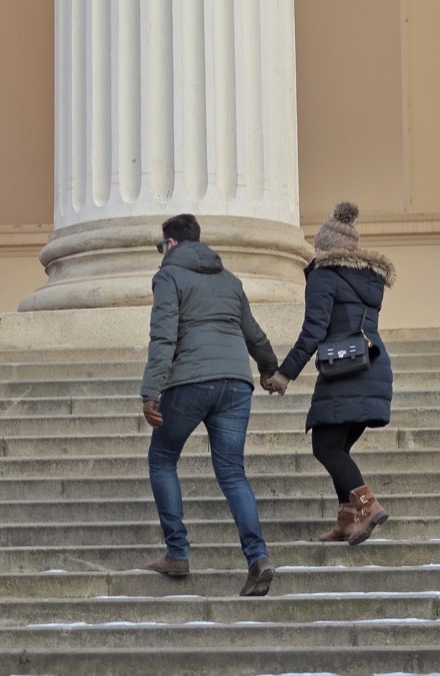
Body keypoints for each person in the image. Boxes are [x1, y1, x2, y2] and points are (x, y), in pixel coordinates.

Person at [140, 213, 280, 597]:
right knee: (233, 472)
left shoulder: (168, 277)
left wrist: (150, 391)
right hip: (236, 382)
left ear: (170, 244)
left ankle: (178, 552)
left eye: (160, 246)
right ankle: (258, 557)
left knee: (162, 459)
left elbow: (164, 336)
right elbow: (253, 331)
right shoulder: (229, 279)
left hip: (191, 380)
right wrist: (269, 369)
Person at [264, 202, 396, 546]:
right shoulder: (368, 279)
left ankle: (367, 505)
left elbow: (313, 331)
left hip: (346, 370)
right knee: (336, 446)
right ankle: (347, 520)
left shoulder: (324, 276)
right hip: (372, 365)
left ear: (321, 246)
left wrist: (284, 374)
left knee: (325, 446)